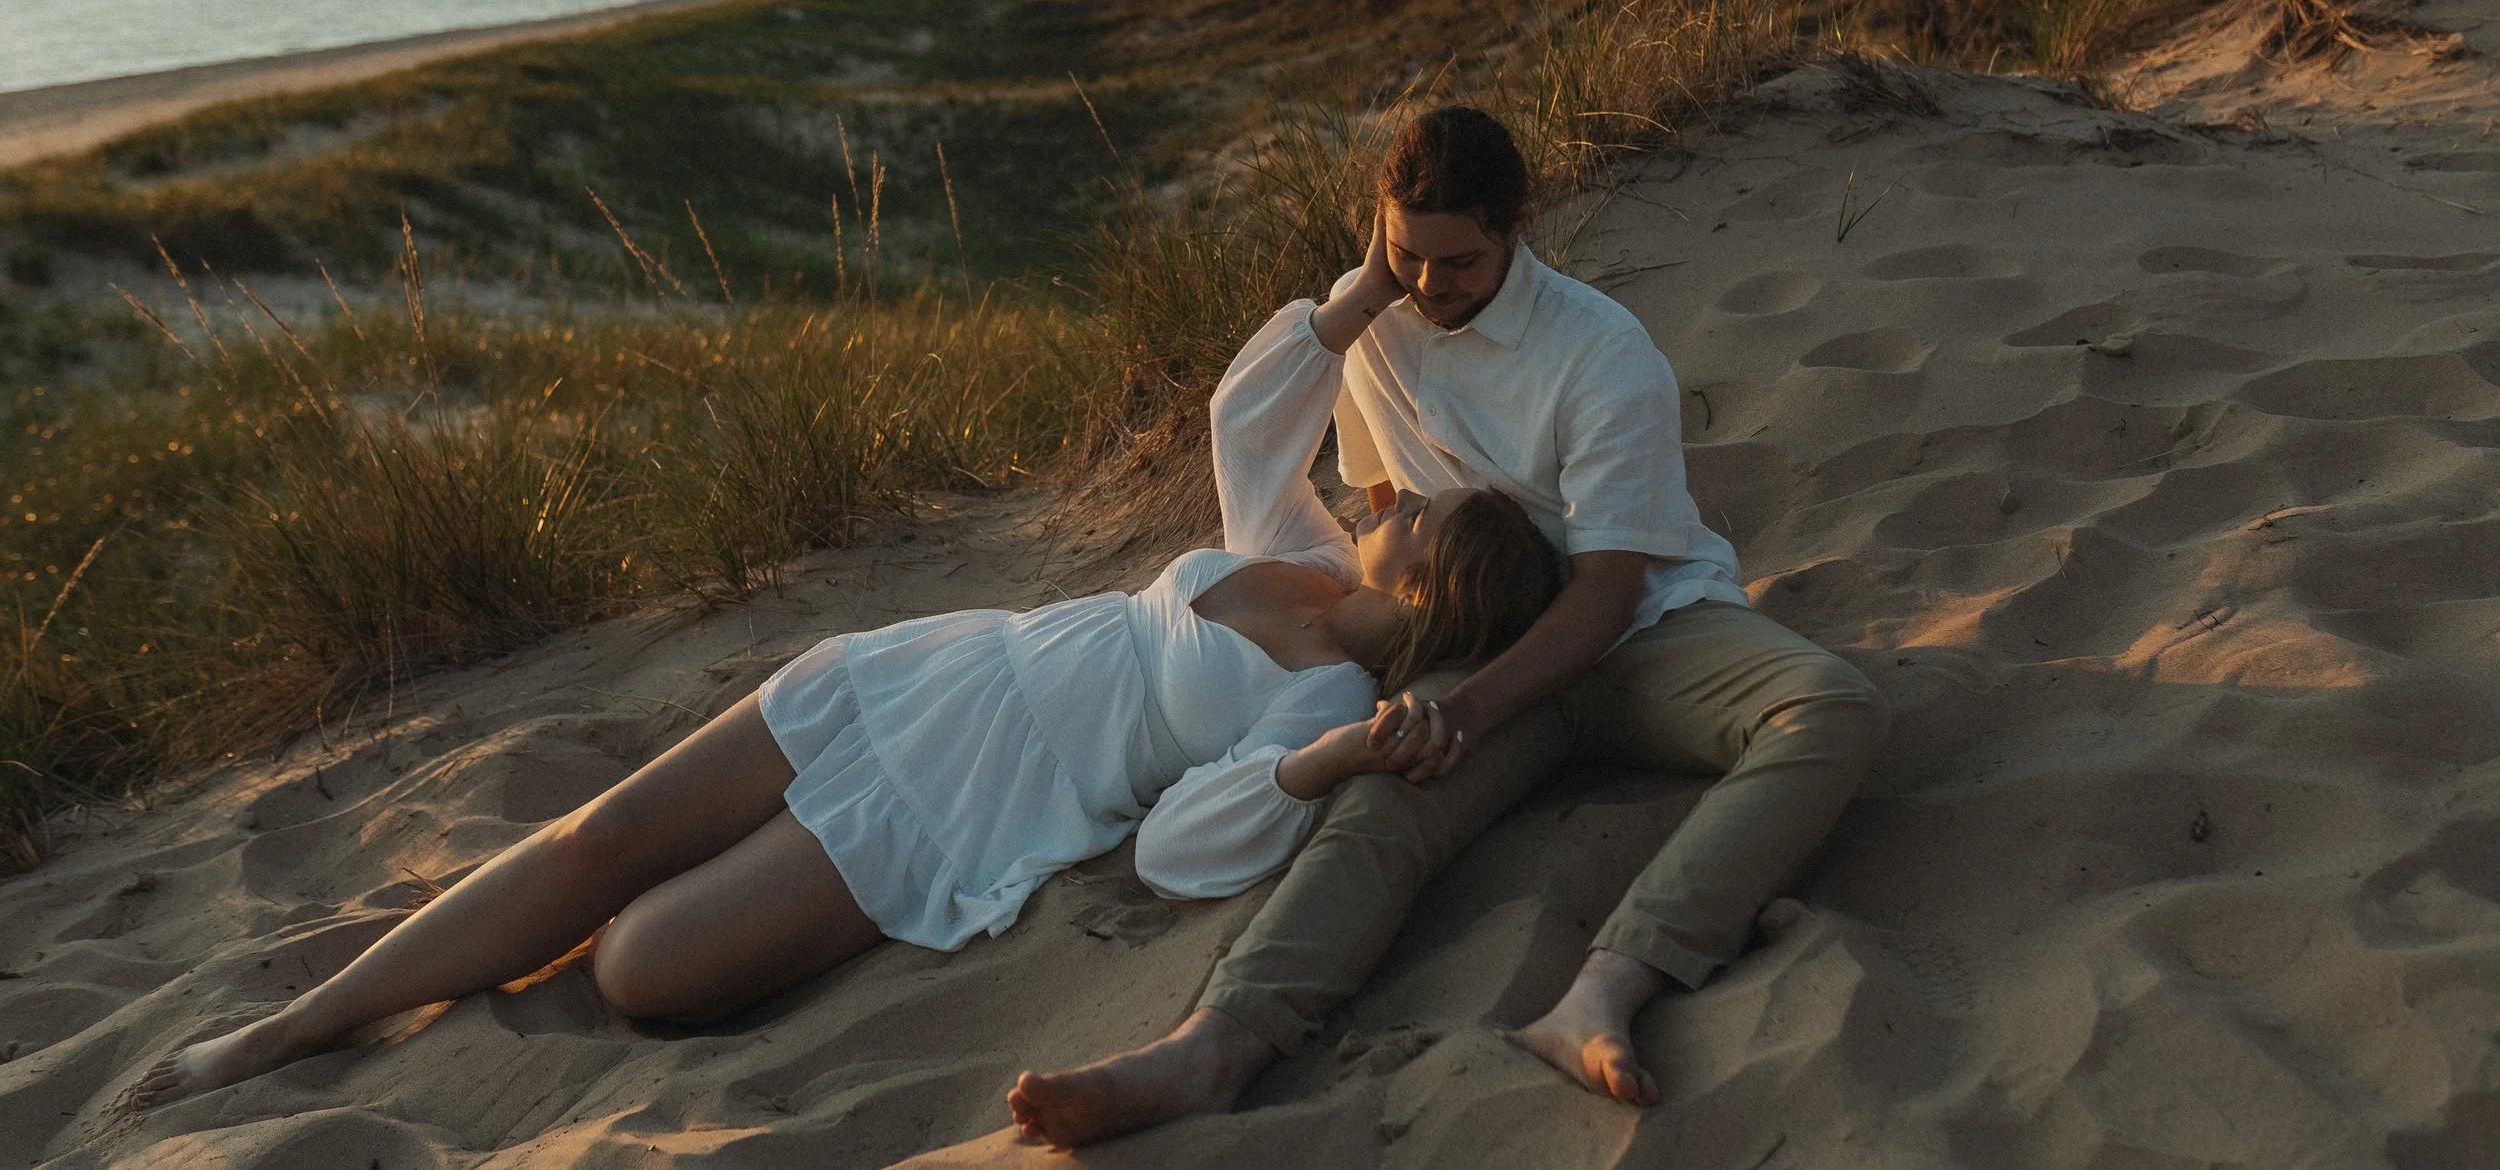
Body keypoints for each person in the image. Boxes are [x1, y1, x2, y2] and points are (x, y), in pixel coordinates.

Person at [130, 261, 1562, 1112]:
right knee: (600, 842)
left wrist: (1330, 766)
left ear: (1428, 582)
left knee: (640, 965)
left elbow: (1187, 843)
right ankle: (288, 1027)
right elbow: (1248, 420)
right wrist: (1370, 281)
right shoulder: (1298, 554)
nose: (1393, 489)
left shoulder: (1319, 699)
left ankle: (507, 937)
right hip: (924, 672)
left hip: (963, 805)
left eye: (1422, 507)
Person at [1008, 106, 1888, 1147]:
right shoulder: (1378, 316)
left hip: (1644, 629)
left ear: (1517, 225)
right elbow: (1372, 494)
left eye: (1460, 259)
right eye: (1406, 254)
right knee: (1382, 794)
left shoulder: (1601, 353)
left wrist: (1463, 709)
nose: (1430, 284)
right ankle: (1213, 1044)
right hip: (1470, 635)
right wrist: (1410, 683)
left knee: (1831, 706)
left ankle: (1607, 987)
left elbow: (1606, 591)